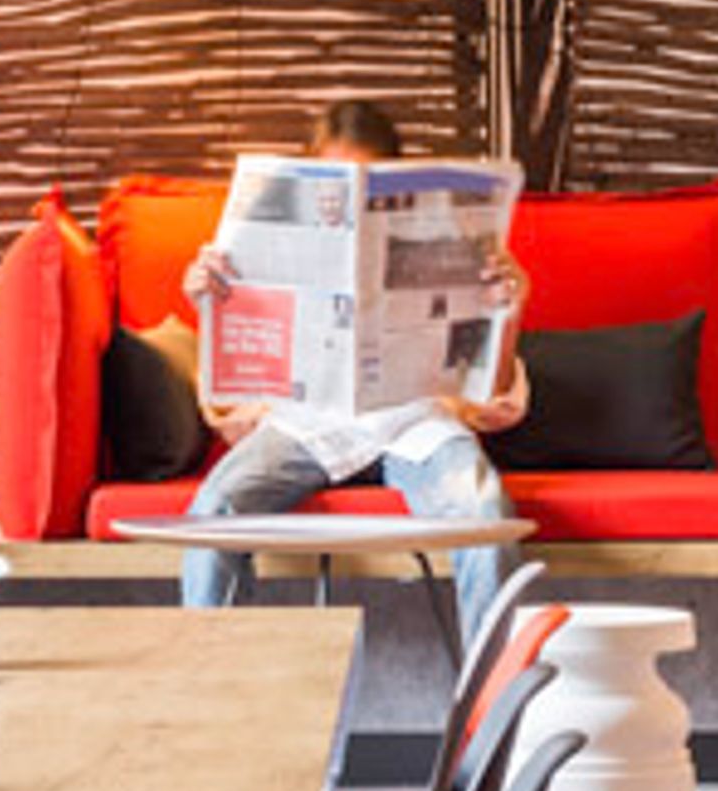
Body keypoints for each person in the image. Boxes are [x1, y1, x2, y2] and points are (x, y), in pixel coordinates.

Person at [179, 98, 528, 627]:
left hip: (415, 423)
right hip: (304, 426)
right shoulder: (260, 244)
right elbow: (233, 388)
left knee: (485, 516)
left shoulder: (455, 243)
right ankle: (209, 675)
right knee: (212, 512)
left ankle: (494, 679)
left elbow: (494, 390)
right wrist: (210, 304)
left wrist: (508, 312)